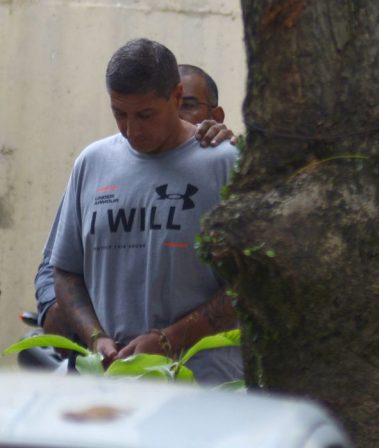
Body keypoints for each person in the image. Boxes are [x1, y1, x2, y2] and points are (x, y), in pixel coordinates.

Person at [49, 38, 242, 383]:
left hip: (203, 391)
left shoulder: (224, 163)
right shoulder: (91, 163)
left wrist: (169, 340)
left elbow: (248, 285)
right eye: (119, 114)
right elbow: (65, 272)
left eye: (145, 115)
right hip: (113, 393)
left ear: (177, 96)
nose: (132, 130)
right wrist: (96, 338)